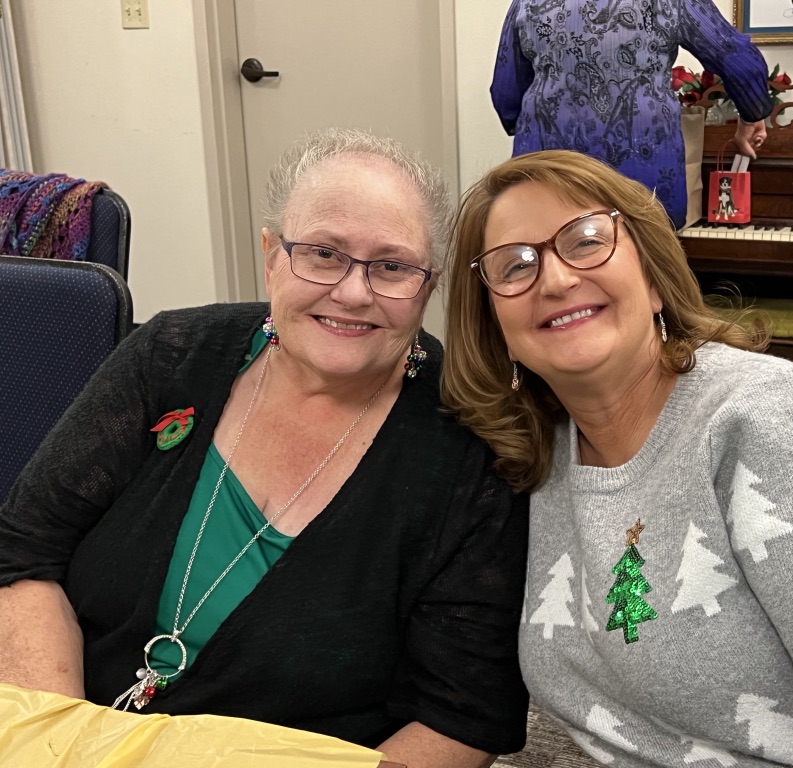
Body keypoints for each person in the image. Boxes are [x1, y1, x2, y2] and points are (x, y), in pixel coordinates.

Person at [441, 149, 793, 767]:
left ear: (654, 278)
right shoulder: (534, 453)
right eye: (515, 265)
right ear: (495, 323)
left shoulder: (780, 422)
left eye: (586, 241)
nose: (555, 280)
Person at [0, 129, 529, 767]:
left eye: (392, 266)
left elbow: (463, 716)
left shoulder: (471, 446)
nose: (353, 292)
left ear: (429, 284)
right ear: (272, 256)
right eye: (323, 254)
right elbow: (24, 549)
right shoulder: (171, 355)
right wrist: (56, 743)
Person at [490, 0, 772, 230]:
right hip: (641, 188)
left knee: (548, 266)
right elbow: (739, 61)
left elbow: (505, 94)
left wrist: (533, 124)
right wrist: (751, 116)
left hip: (547, 178)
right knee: (644, 271)